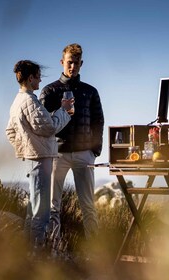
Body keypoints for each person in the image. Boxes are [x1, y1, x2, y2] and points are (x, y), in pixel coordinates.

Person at [6, 60, 74, 254]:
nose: (41, 80)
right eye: (38, 76)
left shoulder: (18, 101)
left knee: (33, 210)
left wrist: (25, 148)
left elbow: (10, 131)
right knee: (41, 213)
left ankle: (28, 254)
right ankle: (37, 257)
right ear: (30, 78)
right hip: (40, 159)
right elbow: (50, 127)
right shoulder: (29, 100)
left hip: (32, 158)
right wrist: (65, 111)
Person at [40, 43, 104, 243]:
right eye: (69, 62)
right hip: (57, 154)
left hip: (85, 154)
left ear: (81, 64)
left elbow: (98, 121)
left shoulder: (90, 91)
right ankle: (53, 249)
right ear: (62, 62)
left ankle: (95, 252)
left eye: (76, 63)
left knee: (88, 206)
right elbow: (42, 122)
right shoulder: (50, 91)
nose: (72, 66)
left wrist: (95, 150)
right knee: (53, 205)